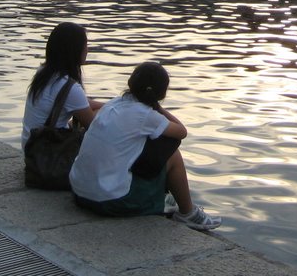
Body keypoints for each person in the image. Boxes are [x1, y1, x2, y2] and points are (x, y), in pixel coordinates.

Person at [69, 61, 221, 231]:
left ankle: (164, 197)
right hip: (107, 202)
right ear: (161, 94)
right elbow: (181, 132)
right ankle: (188, 213)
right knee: (173, 154)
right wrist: (158, 108)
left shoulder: (113, 104)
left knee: (138, 147)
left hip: (80, 192)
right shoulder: (146, 115)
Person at [21, 22, 102, 150]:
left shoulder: (43, 72)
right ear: (74, 50)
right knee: (101, 117)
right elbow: (94, 128)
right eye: (85, 45)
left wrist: (109, 104)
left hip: (31, 149)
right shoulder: (70, 88)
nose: (87, 50)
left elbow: (82, 103)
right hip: (49, 159)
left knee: (96, 112)